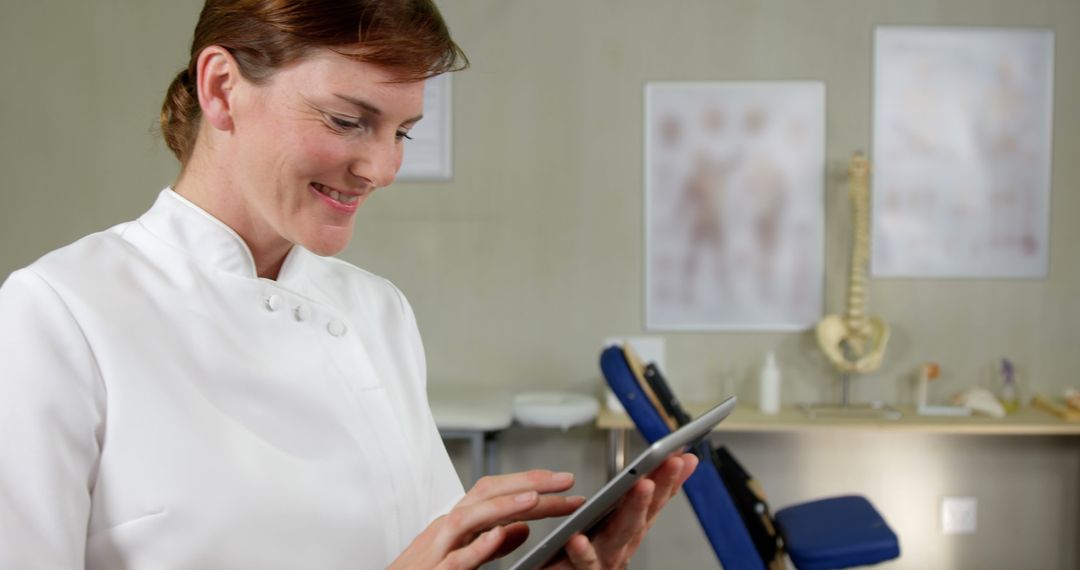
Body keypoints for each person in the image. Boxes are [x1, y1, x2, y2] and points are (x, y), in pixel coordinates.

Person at [0, 1, 698, 568]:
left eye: (403, 132)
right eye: (347, 120)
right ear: (221, 89)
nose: (382, 168)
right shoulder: (59, 315)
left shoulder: (376, 311)